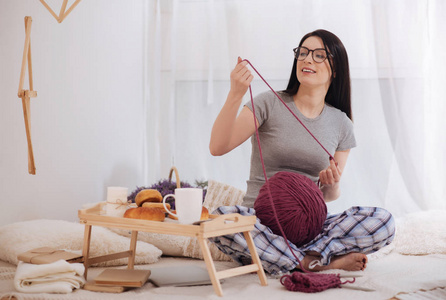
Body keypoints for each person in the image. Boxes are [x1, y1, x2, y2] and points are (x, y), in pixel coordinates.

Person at [209, 29, 395, 275]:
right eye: (303, 53)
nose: (308, 59)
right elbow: (217, 147)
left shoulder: (341, 124)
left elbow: (329, 195)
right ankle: (315, 261)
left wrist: (332, 184)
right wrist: (235, 94)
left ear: (335, 69)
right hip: (260, 222)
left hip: (310, 227)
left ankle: (294, 258)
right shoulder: (268, 103)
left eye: (319, 55)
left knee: (384, 222)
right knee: (221, 220)